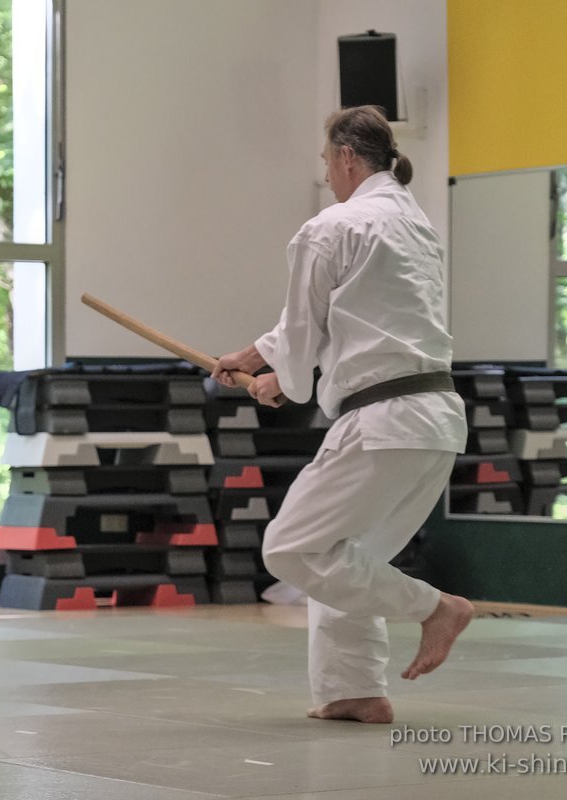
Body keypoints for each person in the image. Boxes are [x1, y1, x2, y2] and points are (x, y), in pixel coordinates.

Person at [212, 105, 474, 725]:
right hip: (434, 419)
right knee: (348, 557)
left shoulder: (330, 226)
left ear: (346, 157)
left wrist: (278, 382)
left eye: (328, 162)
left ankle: (437, 607)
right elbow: (347, 314)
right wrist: (253, 356)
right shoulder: (413, 224)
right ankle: (354, 689)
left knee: (293, 549)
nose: (327, 174)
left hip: (382, 420)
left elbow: (304, 341)